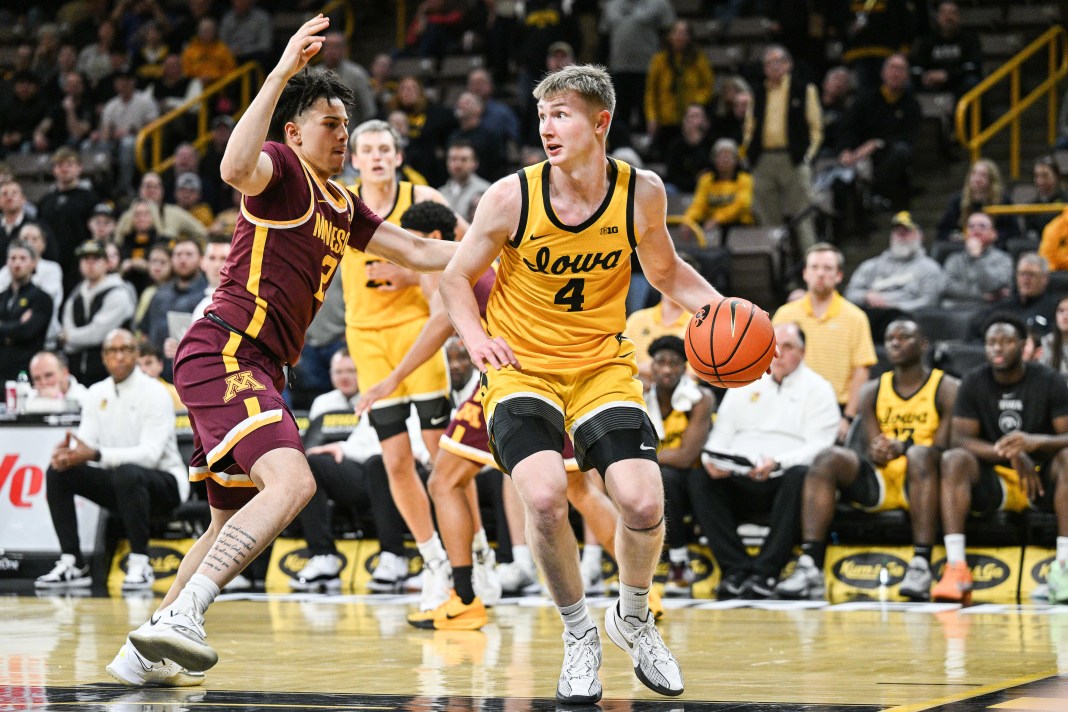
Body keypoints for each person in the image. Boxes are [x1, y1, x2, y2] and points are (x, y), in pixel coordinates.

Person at [106, 16, 457, 688]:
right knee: (294, 483)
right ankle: (186, 619)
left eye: (347, 125)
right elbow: (235, 166)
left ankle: (143, 652)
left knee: (229, 518)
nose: (344, 135)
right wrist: (280, 74)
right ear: (294, 132)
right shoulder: (284, 171)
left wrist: (508, 245)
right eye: (331, 123)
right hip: (226, 351)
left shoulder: (344, 203)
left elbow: (417, 250)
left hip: (261, 366)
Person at [440, 64, 720, 703]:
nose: (546, 128)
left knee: (644, 502)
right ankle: (577, 634)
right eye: (541, 116)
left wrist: (722, 307)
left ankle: (632, 615)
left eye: (561, 113)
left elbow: (668, 270)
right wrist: (476, 338)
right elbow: (456, 279)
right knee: (542, 497)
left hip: (601, 365)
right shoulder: (511, 196)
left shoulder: (641, 193)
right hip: (522, 367)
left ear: (601, 122)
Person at [343, 119, 467, 613]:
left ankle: (471, 553)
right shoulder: (339, 200)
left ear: (397, 156)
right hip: (367, 339)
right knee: (395, 460)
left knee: (444, 458)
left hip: (421, 331)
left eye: (384, 149)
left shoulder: (423, 197)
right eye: (366, 149)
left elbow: (469, 251)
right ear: (354, 159)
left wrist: (413, 274)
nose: (375, 157)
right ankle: (434, 559)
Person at [776, 319, 958, 601]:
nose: (895, 343)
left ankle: (921, 563)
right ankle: (810, 563)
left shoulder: (946, 387)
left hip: (924, 481)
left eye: (904, 337)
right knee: (827, 459)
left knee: (921, 455)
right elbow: (875, 447)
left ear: (923, 345)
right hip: (883, 480)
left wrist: (905, 447)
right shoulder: (872, 390)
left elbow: (945, 448)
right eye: (889, 338)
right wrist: (880, 450)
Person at [35, 328, 187, 591]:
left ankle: (140, 563)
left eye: (125, 350)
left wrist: (95, 454)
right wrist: (69, 454)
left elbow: (150, 456)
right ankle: (73, 562)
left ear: (136, 354)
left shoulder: (155, 392)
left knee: (129, 472)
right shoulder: (96, 393)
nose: (119, 357)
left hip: (165, 485)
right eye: (112, 351)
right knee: (58, 472)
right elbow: (86, 443)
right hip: (121, 483)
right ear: (104, 358)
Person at [695, 323, 839, 599]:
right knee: (700, 477)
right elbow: (720, 435)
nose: (780, 354)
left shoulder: (819, 388)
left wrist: (778, 462)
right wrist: (710, 458)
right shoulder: (744, 381)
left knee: (801, 475)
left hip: (783, 479)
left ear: (803, 352)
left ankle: (766, 572)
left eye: (788, 347)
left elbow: (821, 447)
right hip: (739, 474)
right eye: (775, 347)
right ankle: (734, 570)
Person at [933, 313, 1068, 604]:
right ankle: (956, 567)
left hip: (1042, 480)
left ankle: (1064, 567)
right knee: (954, 458)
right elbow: (959, 439)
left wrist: (1035, 443)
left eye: (1006, 341)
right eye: (991, 342)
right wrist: (1009, 451)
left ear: (1023, 345)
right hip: (994, 481)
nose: (997, 348)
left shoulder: (1050, 381)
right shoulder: (973, 381)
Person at [289, 348, 425, 593]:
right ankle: (323, 556)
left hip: (409, 476)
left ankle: (393, 556)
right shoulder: (378, 397)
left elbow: (413, 449)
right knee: (313, 463)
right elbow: (359, 443)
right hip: (369, 472)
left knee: (378, 462)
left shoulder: (421, 398)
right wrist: (339, 447)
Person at [773, 242, 877, 443]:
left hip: (836, 408)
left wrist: (848, 417)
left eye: (828, 268)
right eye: (814, 267)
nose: (820, 274)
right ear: (805, 273)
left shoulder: (856, 317)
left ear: (839, 276)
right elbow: (770, 361)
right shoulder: (785, 314)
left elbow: (861, 371)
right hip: (788, 403)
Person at [644, 335, 713, 596]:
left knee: (666, 476)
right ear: (651, 366)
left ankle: (680, 563)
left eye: (674, 363)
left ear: (684, 368)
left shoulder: (700, 399)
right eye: (660, 362)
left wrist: (638, 457)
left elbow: (686, 455)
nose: (666, 369)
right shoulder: (641, 396)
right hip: (653, 474)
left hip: (692, 480)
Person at [744, 45, 822, 251]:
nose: (773, 67)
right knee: (768, 223)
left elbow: (815, 128)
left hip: (794, 158)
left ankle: (811, 269)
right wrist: (748, 150)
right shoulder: (757, 92)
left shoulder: (804, 89)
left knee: (803, 217)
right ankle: (777, 274)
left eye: (777, 61)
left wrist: (808, 156)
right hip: (763, 160)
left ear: (788, 64)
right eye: (768, 63)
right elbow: (750, 128)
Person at [844, 211, 945, 339]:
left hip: (904, 320)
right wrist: (866, 296)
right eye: (898, 232)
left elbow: (929, 302)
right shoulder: (871, 265)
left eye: (906, 232)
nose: (901, 236)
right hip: (869, 316)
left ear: (919, 236)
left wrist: (894, 306)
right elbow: (850, 293)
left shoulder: (929, 268)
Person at [60, 239, 137, 386]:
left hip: (111, 374)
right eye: (85, 259)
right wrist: (69, 339)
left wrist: (69, 337)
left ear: (107, 263)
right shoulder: (76, 294)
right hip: (78, 374)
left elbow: (97, 334)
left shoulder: (119, 293)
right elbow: (67, 340)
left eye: (96, 258)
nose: (90, 263)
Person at [0, 239, 53, 381]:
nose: (17, 263)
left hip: (26, 371)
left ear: (33, 263)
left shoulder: (42, 298)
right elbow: (20, 328)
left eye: (23, 258)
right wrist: (16, 325)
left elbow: (28, 331)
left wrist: (6, 327)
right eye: (13, 258)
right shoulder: (2, 297)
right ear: (7, 262)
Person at [940, 211, 1013, 310]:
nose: (976, 230)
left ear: (994, 234)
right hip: (955, 311)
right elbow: (946, 287)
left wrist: (977, 258)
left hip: (987, 311)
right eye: (971, 226)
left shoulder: (1004, 259)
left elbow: (992, 287)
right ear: (966, 234)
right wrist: (981, 296)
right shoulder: (954, 259)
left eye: (982, 226)